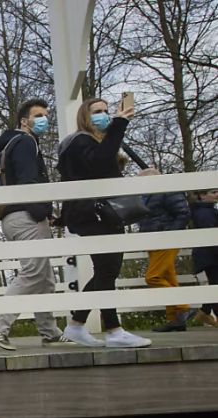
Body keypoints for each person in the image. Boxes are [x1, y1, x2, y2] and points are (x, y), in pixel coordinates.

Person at [56, 97, 151, 348]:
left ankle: (76, 325)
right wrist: (119, 123)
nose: (104, 114)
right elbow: (99, 164)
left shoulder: (91, 142)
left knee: (105, 270)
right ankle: (113, 329)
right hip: (93, 213)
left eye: (106, 111)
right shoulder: (80, 141)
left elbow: (105, 172)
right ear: (84, 117)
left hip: (96, 212)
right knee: (108, 268)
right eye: (97, 111)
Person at [0, 98, 73, 351]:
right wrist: (42, 210)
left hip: (14, 217)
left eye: (46, 115)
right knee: (33, 272)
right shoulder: (24, 142)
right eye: (38, 115)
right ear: (24, 120)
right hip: (26, 217)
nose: (44, 119)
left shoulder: (9, 144)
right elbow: (28, 181)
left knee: (44, 277)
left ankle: (49, 331)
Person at [135, 168, 192, 332]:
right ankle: (175, 319)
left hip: (164, 240)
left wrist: (170, 235)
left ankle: (184, 306)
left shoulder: (167, 191)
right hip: (153, 241)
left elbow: (183, 213)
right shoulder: (147, 196)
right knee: (169, 277)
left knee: (153, 277)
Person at [190, 189, 218, 326]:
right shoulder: (204, 213)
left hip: (210, 255)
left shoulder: (207, 211)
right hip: (211, 255)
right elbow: (210, 235)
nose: (216, 195)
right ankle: (205, 312)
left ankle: (204, 311)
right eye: (213, 192)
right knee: (216, 286)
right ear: (201, 195)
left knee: (215, 284)